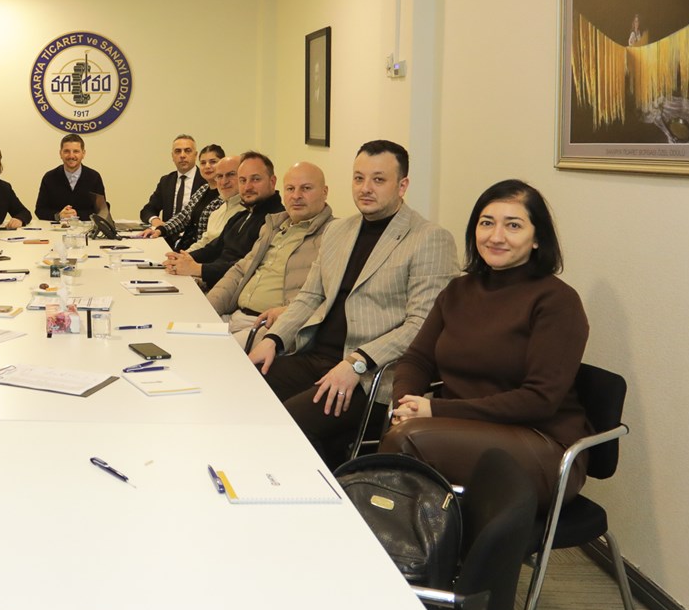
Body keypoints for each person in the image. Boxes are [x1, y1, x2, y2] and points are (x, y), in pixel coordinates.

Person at [380, 180, 593, 507]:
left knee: (407, 441)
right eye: (487, 223)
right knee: (406, 434)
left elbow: (539, 400)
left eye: (513, 226)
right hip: (459, 431)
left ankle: (387, 534)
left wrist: (434, 410)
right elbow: (417, 360)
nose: (496, 236)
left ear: (537, 238)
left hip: (542, 445)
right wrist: (405, 404)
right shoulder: (458, 291)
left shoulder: (557, 302)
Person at [247, 140, 457, 465]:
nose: (365, 188)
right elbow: (310, 296)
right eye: (359, 178)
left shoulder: (429, 239)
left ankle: (320, 487)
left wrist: (357, 362)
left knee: (290, 422)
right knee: (243, 390)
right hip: (315, 355)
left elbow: (421, 325)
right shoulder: (338, 231)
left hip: (369, 375)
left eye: (378, 179)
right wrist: (273, 339)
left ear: (402, 185)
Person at [205, 161, 332, 335]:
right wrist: (206, 308)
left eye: (306, 188)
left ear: (325, 192)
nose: (296, 196)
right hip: (234, 315)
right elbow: (240, 271)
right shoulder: (273, 226)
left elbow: (323, 297)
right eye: (290, 189)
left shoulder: (333, 234)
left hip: (269, 326)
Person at [165, 151, 283, 288]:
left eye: (255, 179)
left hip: (228, 289)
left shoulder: (275, 220)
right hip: (213, 282)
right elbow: (213, 248)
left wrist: (198, 269)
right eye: (243, 180)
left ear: (272, 181)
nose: (247, 187)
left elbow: (247, 266)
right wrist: (182, 259)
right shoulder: (242, 215)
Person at [144, 143, 224, 248]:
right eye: (203, 163)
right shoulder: (203, 189)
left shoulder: (225, 195)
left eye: (213, 162)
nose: (207, 166)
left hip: (203, 250)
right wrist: (159, 230)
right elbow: (183, 217)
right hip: (183, 246)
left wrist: (187, 254)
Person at [34, 133, 108, 221]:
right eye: (66, 151)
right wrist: (59, 215)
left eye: (76, 151)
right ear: (60, 153)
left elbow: (102, 211)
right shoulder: (49, 178)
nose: (71, 156)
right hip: (56, 228)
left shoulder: (94, 177)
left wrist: (76, 215)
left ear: (83, 154)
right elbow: (40, 210)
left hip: (86, 228)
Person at [140, 134, 207, 224]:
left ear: (195, 155)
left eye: (187, 151)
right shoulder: (166, 181)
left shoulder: (206, 180)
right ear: (172, 156)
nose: (182, 155)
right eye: (178, 151)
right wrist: (155, 221)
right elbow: (148, 210)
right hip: (167, 232)